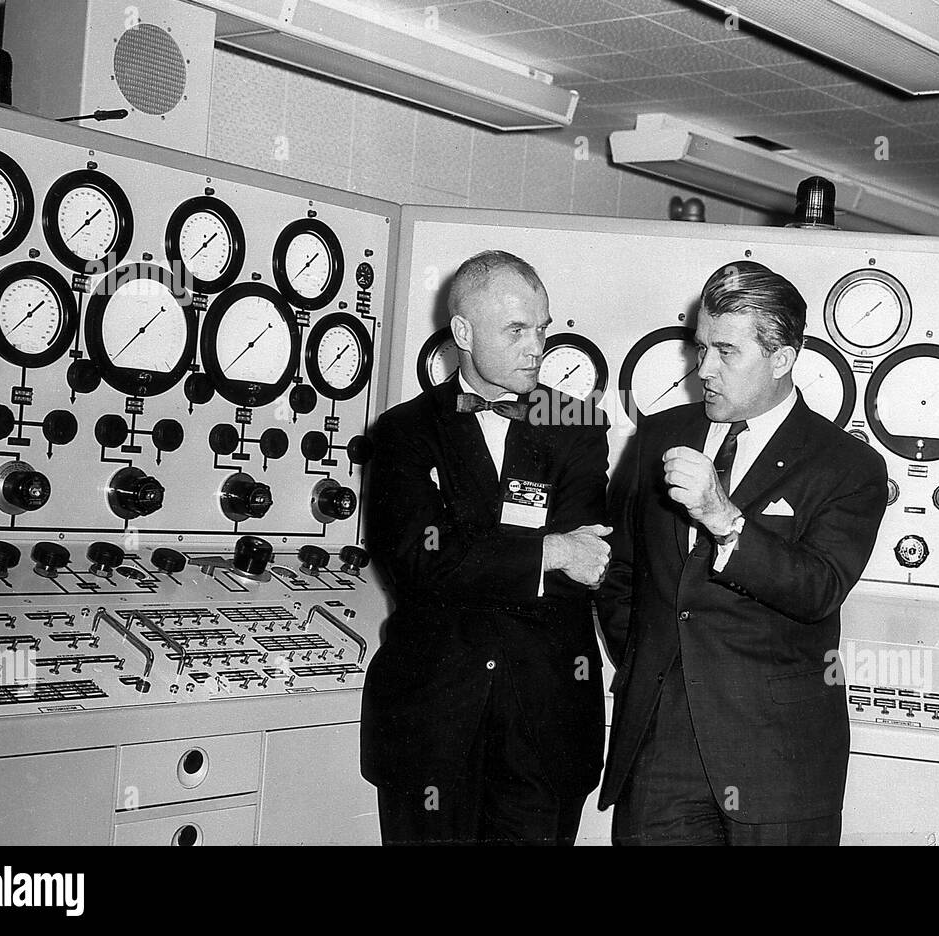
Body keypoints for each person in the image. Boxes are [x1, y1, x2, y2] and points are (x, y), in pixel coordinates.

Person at [598, 260, 888, 845]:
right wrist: (647, 666)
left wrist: (724, 519)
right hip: (662, 750)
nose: (702, 370)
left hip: (777, 755)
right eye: (700, 348)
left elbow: (819, 589)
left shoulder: (848, 466)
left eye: (725, 352)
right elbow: (622, 570)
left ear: (781, 358)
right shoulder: (659, 435)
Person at [362, 250, 611, 845]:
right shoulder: (403, 432)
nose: (537, 347)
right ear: (464, 333)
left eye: (543, 328)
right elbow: (419, 564)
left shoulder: (575, 422)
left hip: (544, 726)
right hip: (433, 725)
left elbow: (588, 559)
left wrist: (474, 553)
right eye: (517, 330)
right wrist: (545, 552)